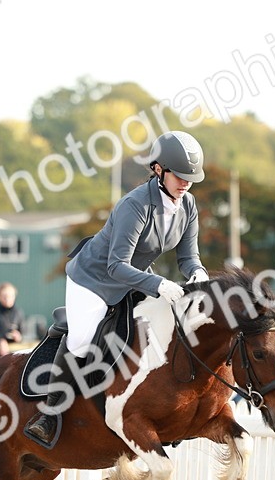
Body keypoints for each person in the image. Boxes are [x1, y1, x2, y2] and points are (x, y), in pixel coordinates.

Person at [23, 130, 209, 448]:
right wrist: (159, 284)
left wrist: (199, 275)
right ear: (158, 169)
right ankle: (49, 413)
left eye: (190, 178)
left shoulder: (187, 205)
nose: (185, 183)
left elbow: (188, 257)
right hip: (93, 278)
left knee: (164, 327)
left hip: (135, 277)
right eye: (179, 176)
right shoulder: (134, 205)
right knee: (83, 341)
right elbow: (115, 265)